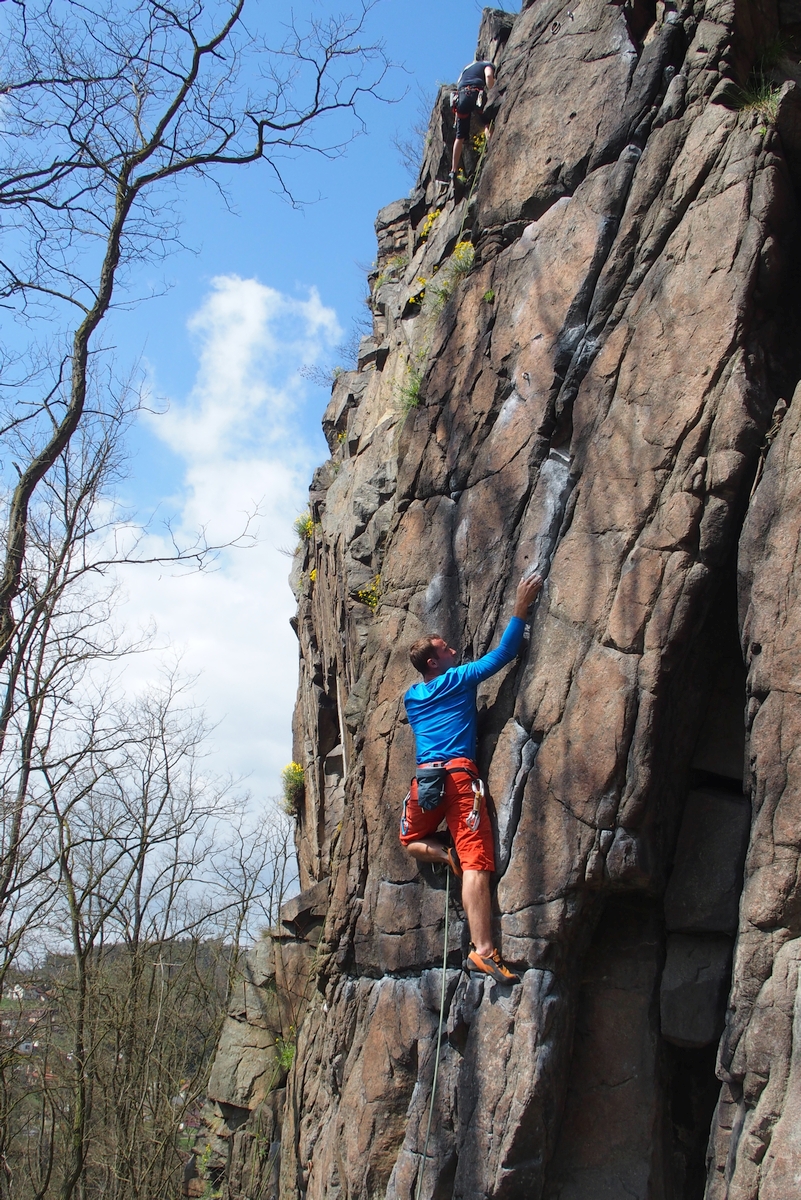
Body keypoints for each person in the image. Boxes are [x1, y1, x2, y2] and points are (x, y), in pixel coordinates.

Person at [401, 573, 543, 984]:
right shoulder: (457, 679)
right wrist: (520, 607)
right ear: (434, 662)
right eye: (446, 650)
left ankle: (444, 855)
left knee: (410, 841)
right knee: (477, 865)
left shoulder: (412, 697)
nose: (455, 651)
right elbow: (503, 655)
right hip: (461, 782)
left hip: (425, 783)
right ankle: (484, 952)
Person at [450, 57, 496, 184]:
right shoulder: (487, 65)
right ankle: (492, 146)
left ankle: (453, 170)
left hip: (461, 98)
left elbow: (458, 83)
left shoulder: (466, 69)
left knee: (459, 136)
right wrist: (492, 91)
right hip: (476, 95)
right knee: (487, 121)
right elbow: (488, 77)